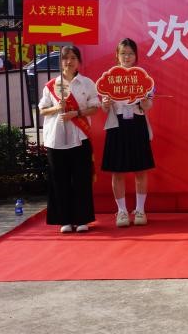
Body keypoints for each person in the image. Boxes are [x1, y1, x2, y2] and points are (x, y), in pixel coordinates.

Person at [38, 45, 99, 233]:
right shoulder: (51, 85)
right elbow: (42, 110)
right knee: (59, 180)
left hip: (80, 137)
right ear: (61, 61)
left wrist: (76, 113)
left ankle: (82, 219)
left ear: (79, 61)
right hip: (56, 139)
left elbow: (94, 108)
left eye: (73, 58)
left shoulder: (87, 83)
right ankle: (64, 219)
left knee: (81, 179)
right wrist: (57, 108)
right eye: (65, 58)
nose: (69, 62)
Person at [101, 38, 155, 227]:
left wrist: (144, 101)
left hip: (137, 124)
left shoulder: (143, 78)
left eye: (130, 53)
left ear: (135, 56)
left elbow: (148, 105)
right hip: (116, 126)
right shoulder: (109, 78)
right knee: (118, 171)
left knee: (141, 170)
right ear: (117, 55)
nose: (127, 57)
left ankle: (140, 210)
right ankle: (122, 211)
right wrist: (105, 103)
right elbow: (104, 108)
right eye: (123, 53)